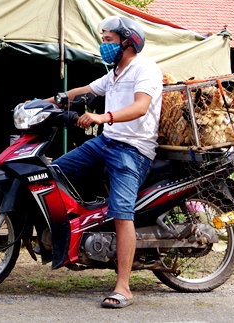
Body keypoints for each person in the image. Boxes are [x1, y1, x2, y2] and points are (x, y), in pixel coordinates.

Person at [48, 16, 162, 309]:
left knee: (122, 213)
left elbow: (140, 107)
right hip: (105, 142)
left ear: (128, 42)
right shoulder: (113, 73)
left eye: (109, 40)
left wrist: (103, 117)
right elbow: (87, 89)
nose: (103, 45)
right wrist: (48, 101)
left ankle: (124, 286)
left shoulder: (145, 68)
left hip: (132, 149)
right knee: (53, 172)